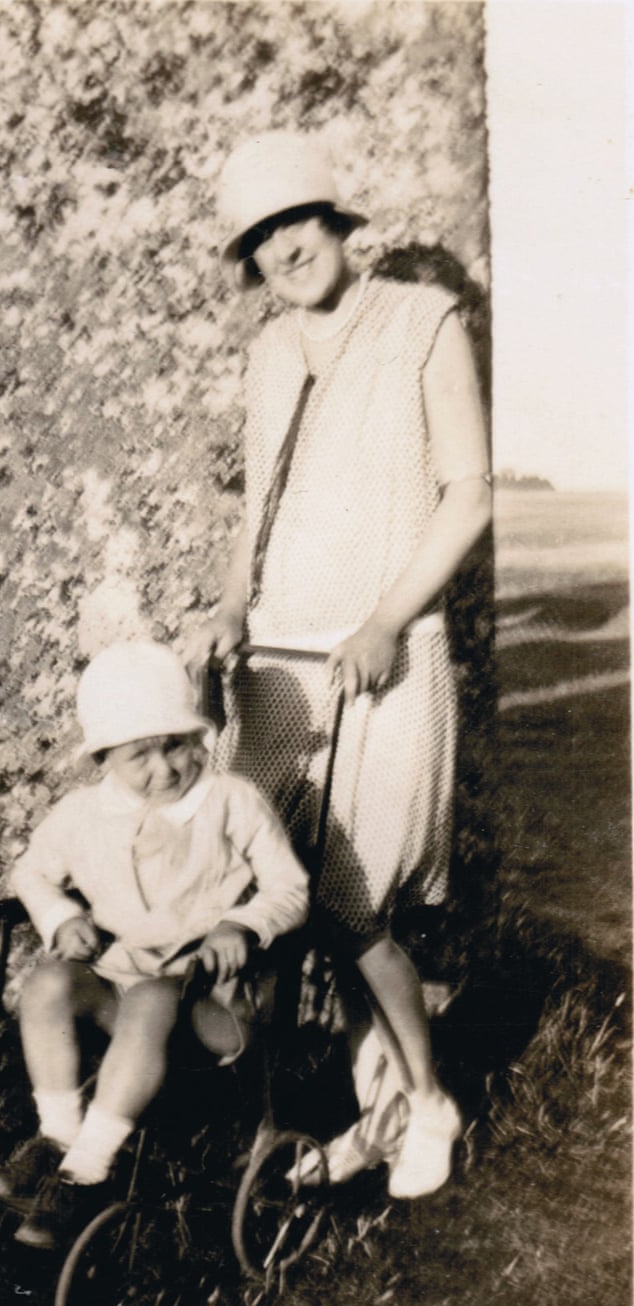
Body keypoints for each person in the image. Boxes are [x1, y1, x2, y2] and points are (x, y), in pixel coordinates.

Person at [186, 130, 492, 1199]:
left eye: (296, 223)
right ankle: (374, 1114)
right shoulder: (270, 352)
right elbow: (260, 511)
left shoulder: (421, 321)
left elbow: (468, 495)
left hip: (383, 655)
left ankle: (429, 1103)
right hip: (279, 662)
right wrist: (231, 607)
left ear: (335, 222)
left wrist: (385, 619)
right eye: (260, 237)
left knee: (355, 906)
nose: (283, 249)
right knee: (275, 890)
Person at [3, 640, 310, 1247]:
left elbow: (290, 889)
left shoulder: (232, 801)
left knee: (151, 998)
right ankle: (58, 1134)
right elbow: (30, 872)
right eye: (139, 756)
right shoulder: (83, 813)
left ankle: (89, 1168)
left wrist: (240, 924)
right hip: (124, 987)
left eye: (175, 746)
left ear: (198, 737)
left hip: (216, 1006)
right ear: (105, 758)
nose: (164, 770)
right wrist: (61, 916)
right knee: (48, 981)